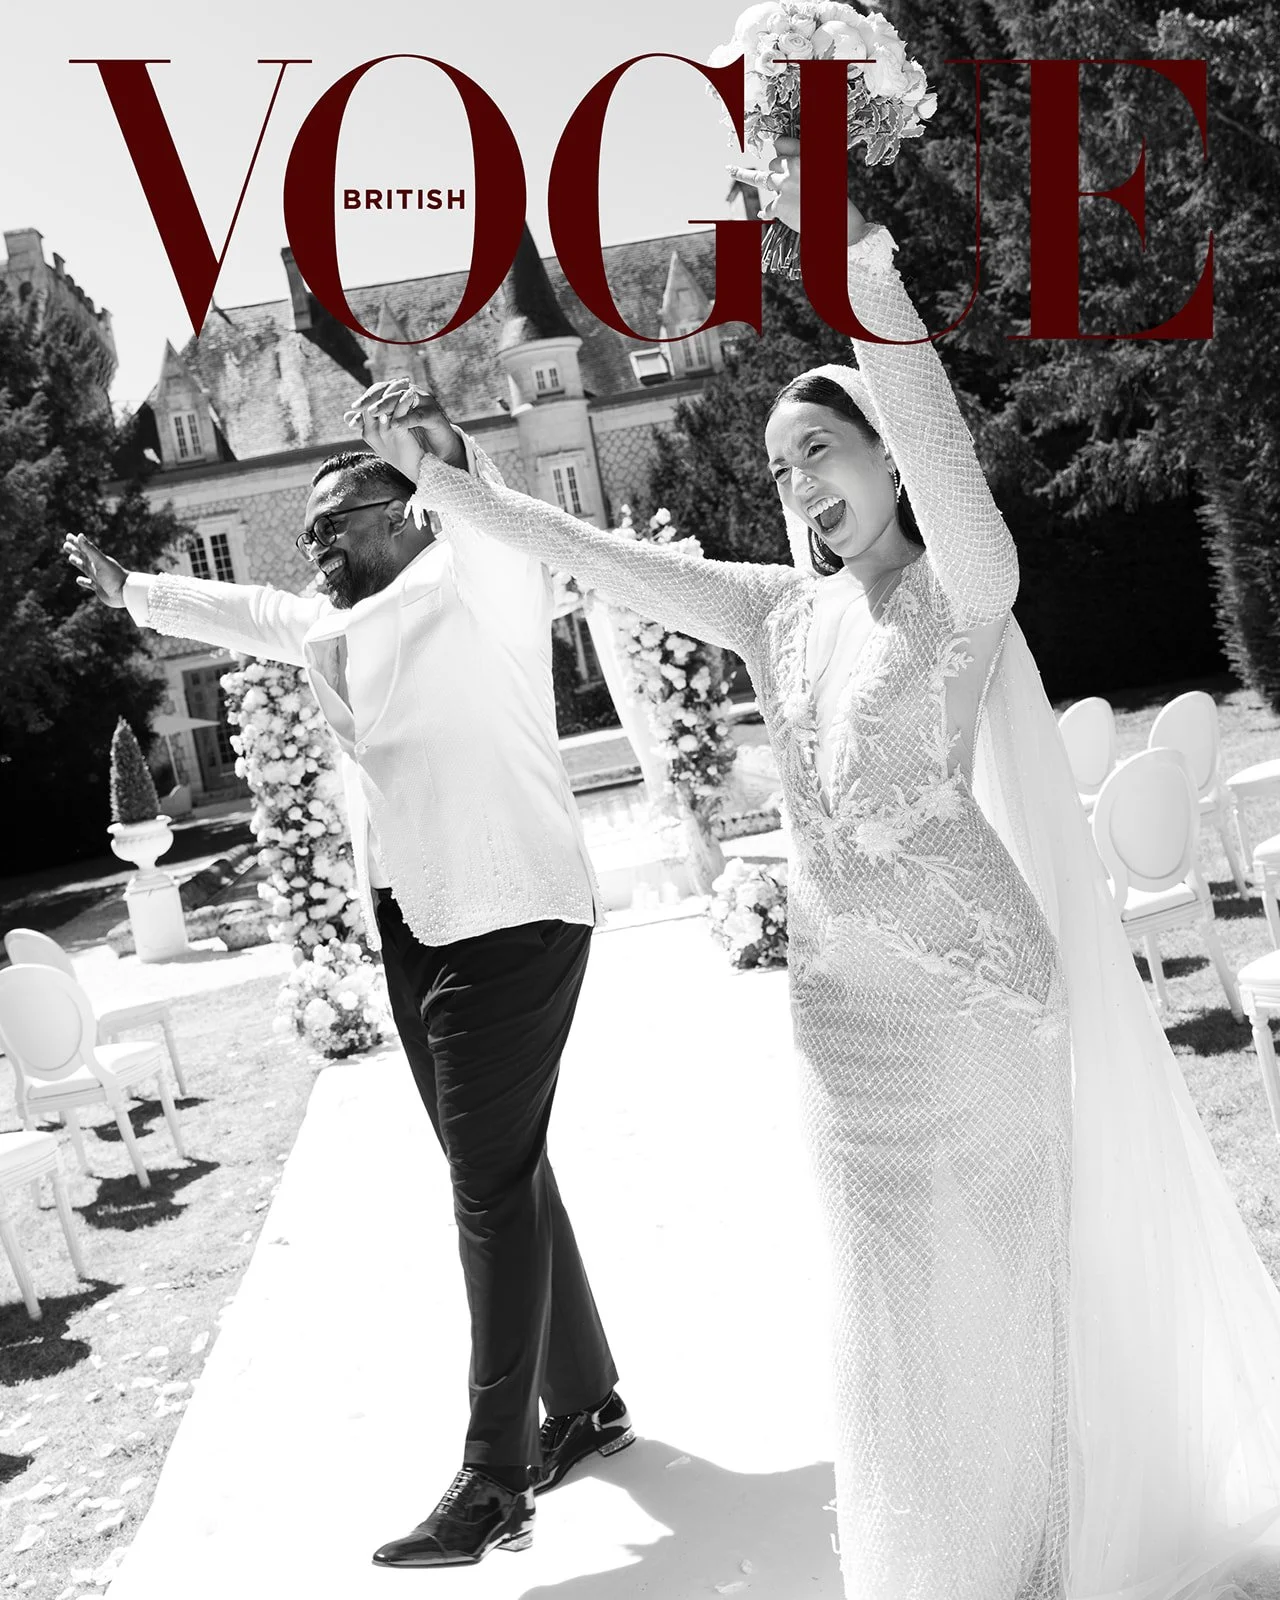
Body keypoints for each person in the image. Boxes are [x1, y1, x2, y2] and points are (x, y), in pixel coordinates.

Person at [347, 137, 1280, 1600]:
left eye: (819, 451)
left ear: (882, 461)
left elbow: (943, 443)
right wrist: (446, 473)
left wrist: (852, 261)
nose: (796, 482)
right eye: (779, 466)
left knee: (995, 1319)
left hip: (981, 1026)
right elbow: (577, 545)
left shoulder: (962, 589)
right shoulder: (774, 611)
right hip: (844, 1040)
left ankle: (1028, 1563)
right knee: (890, 1333)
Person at [62, 445, 634, 1570]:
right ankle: (589, 1402)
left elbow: (485, 511)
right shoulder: (336, 617)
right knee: (505, 1169)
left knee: (487, 1186)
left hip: (510, 912)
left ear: (408, 514)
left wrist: (441, 448)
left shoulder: (477, 582)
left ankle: (494, 1475)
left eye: (336, 522)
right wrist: (138, 593)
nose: (315, 542)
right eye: (309, 528)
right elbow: (257, 609)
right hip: (414, 927)